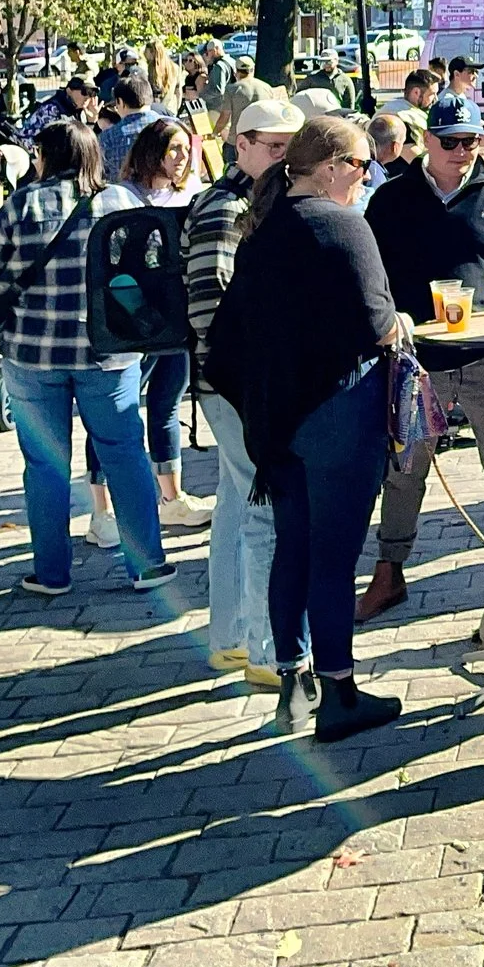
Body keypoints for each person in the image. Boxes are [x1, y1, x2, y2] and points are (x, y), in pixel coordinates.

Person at [205, 116, 405, 742]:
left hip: (278, 421)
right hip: (337, 412)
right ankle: (340, 690)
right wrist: (400, 326)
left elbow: (227, 340)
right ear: (327, 168)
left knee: (292, 548)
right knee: (332, 556)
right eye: (358, 164)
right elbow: (379, 324)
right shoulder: (344, 223)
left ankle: (293, 683)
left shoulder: (264, 229)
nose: (366, 174)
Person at [357, 93, 484, 622]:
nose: (462, 151)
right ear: (427, 143)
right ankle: (389, 571)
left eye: (471, 139)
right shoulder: (391, 199)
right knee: (406, 468)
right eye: (450, 141)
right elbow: (373, 276)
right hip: (418, 358)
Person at [0, 120, 172, 596]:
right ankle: (146, 565)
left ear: (46, 155)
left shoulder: (22, 204)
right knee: (125, 456)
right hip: (107, 354)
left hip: (31, 353)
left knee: (45, 465)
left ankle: (52, 573)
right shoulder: (119, 202)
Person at [184, 97, 303, 689]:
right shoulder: (227, 209)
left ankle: (231, 639)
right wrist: (249, 382)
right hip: (233, 383)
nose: (284, 157)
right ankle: (264, 650)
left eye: (291, 147)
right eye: (273, 146)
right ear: (242, 145)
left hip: (230, 381)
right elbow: (212, 305)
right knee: (263, 514)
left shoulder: (247, 202)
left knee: (236, 510)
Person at [91, 117, 213, 533]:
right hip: (133, 320)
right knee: (116, 414)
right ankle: (101, 508)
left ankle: (172, 498)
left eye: (185, 149)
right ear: (151, 152)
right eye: (172, 149)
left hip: (175, 319)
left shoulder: (194, 195)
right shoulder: (119, 198)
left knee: (166, 404)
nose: (181, 158)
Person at [97, 71, 159, 182]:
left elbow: (101, 174)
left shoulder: (108, 137)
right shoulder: (173, 126)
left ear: (120, 101)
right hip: (168, 196)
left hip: (123, 195)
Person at [22, 69, 99, 142]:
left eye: (92, 93)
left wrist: (91, 122)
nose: (88, 97)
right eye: (84, 91)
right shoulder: (51, 110)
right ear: (69, 91)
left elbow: (85, 147)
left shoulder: (80, 112)